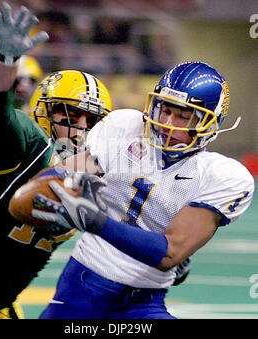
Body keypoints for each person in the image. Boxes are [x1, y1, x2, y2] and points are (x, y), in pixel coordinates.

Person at [31, 61, 254, 319]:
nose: (169, 124)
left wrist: (96, 220)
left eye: (184, 116)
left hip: (146, 299)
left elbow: (170, 252)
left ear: (211, 123)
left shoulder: (223, 175)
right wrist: (54, 184)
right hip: (85, 284)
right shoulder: (126, 128)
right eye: (165, 111)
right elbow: (64, 175)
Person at [0, 2, 112, 319]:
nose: (80, 125)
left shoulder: (94, 167)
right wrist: (6, 61)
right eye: (69, 113)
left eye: (91, 118)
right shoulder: (26, 141)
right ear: (45, 110)